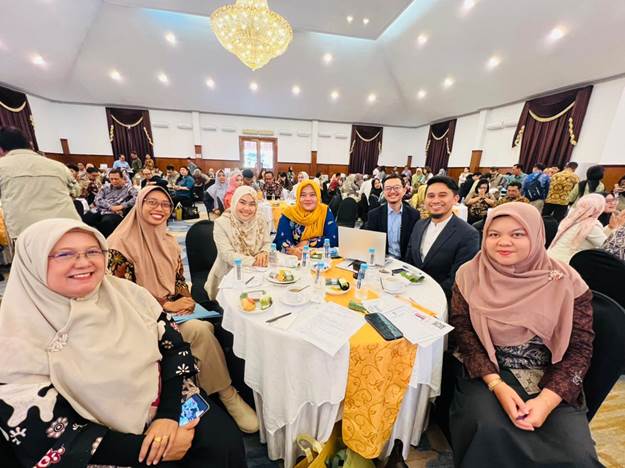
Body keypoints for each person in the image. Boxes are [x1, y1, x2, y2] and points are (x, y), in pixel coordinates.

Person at [0, 218, 246, 467]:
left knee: (221, 440)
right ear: (34, 262)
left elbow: (174, 349)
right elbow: (42, 431)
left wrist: (167, 417)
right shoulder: (14, 339)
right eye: (64, 254)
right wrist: (150, 448)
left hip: (165, 402)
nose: (83, 262)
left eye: (93, 251)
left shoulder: (129, 295)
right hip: (95, 445)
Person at [449, 203, 601, 468]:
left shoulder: (567, 282)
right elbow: (464, 333)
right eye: (494, 234)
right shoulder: (469, 274)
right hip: (489, 370)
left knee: (577, 455)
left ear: (536, 234)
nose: (503, 242)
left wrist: (546, 401)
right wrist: (496, 385)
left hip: (550, 376)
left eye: (517, 234)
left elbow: (580, 348)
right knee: (487, 430)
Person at [107, 186, 258, 434]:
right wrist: (164, 304)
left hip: (172, 309)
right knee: (200, 330)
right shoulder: (118, 245)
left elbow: (178, 280)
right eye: (152, 202)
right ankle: (226, 393)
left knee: (212, 322)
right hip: (139, 317)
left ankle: (208, 383)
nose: (159, 208)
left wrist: (186, 299)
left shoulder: (168, 241)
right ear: (139, 205)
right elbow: (122, 294)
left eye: (165, 204)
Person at [405, 176, 480, 299]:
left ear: (455, 199)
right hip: (410, 292)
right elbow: (409, 259)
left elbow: (458, 279)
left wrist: (426, 294)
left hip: (440, 298)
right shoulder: (419, 224)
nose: (435, 200)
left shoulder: (468, 234)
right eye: (431, 196)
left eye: (442, 195)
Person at [0, 127, 81, 239]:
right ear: (29, 145)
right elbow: (76, 191)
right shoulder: (58, 166)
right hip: (67, 226)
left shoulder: (2, 166)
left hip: (27, 233)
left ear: (1, 149)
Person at [205, 186, 271, 299]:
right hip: (230, 274)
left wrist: (264, 252)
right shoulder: (222, 223)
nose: (247, 208)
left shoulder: (260, 219)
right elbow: (228, 255)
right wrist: (255, 261)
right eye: (242, 202)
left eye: (252, 204)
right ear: (235, 201)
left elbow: (267, 242)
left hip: (258, 274)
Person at [548, 193, 625, 264]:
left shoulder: (573, 219)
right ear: (599, 207)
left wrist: (610, 227)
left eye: (613, 200)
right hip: (564, 264)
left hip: (551, 257)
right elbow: (608, 247)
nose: (613, 203)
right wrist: (617, 228)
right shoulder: (590, 224)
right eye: (607, 201)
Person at [275, 180, 338, 258]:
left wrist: (308, 243)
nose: (308, 199)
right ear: (298, 197)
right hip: (292, 260)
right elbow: (281, 240)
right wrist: (294, 251)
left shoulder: (325, 211)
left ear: (318, 196)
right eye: (303, 195)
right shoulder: (289, 213)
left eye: (312, 195)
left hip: (319, 260)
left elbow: (333, 239)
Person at [364, 174, 420, 260]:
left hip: (405, 262)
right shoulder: (374, 214)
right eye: (388, 188)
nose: (392, 191)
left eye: (397, 187)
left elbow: (414, 246)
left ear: (404, 190)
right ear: (383, 191)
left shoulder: (414, 215)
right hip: (382, 260)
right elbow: (371, 243)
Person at [83, 168, 138, 237]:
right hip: (101, 209)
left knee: (106, 222)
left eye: (116, 179)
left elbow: (137, 197)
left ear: (122, 178)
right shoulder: (106, 187)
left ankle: (108, 241)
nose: (114, 181)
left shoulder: (128, 188)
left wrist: (122, 206)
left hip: (116, 212)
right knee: (86, 218)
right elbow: (97, 199)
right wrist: (110, 207)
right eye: (111, 179)